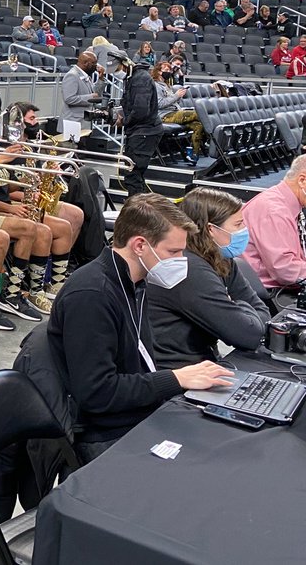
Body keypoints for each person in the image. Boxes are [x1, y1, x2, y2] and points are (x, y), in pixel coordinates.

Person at [48, 193, 234, 463]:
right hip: (104, 434)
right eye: (173, 252)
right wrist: (176, 379)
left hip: (135, 413)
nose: (181, 260)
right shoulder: (92, 295)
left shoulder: (136, 283)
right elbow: (97, 393)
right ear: (139, 245)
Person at [148, 189, 266, 369]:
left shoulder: (222, 258)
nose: (244, 229)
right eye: (238, 224)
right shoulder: (190, 269)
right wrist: (238, 306)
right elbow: (248, 336)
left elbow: (263, 313)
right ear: (211, 229)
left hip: (205, 362)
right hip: (179, 371)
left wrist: (235, 306)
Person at [241, 155, 306, 289]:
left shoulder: (289, 202)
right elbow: (285, 270)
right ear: (302, 180)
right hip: (269, 292)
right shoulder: (274, 210)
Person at [120, 59, 163, 196]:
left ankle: (136, 207)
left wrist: (124, 121)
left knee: (133, 175)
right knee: (135, 175)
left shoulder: (140, 79)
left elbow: (140, 110)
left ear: (124, 65)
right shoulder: (134, 78)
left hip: (144, 131)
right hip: (142, 130)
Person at [57, 51, 101, 123]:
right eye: (94, 63)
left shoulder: (85, 75)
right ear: (86, 63)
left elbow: (95, 93)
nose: (96, 66)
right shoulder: (72, 75)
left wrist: (101, 79)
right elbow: (69, 99)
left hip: (82, 121)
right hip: (73, 122)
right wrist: (91, 97)